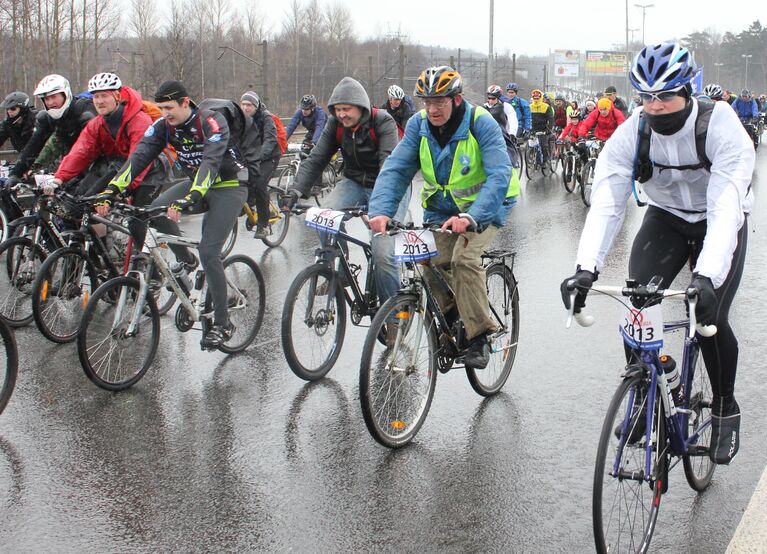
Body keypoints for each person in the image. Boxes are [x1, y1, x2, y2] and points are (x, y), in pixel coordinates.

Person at [560, 41, 754, 465]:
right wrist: (585, 267)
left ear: (688, 90)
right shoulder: (634, 130)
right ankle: (649, 392)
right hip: (665, 218)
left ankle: (724, 405)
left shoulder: (720, 126)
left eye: (665, 95)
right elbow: (608, 200)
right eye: (646, 97)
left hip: (717, 220)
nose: (655, 106)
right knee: (638, 301)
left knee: (710, 316)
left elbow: (724, 208)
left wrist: (705, 278)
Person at [368, 66, 515, 369]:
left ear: (456, 100)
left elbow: (500, 175)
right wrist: (381, 210)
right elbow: (397, 168)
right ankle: (453, 315)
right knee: (426, 262)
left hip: (486, 207)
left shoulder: (480, 122)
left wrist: (472, 216)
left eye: (440, 102)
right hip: (440, 208)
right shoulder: (418, 125)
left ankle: (479, 337)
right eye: (427, 102)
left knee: (462, 260)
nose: (432, 109)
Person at [98, 80, 249, 350]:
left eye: (169, 107)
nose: (164, 113)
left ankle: (223, 324)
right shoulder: (162, 127)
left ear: (185, 102)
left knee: (210, 252)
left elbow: (212, 161)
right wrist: (112, 189)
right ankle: (186, 260)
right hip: (196, 183)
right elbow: (138, 158)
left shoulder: (211, 122)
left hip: (229, 185)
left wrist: (193, 195)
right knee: (155, 211)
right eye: (160, 108)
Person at [281, 76, 406, 314]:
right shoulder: (336, 125)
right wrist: (295, 191)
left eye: (346, 109)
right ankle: (341, 268)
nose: (342, 115)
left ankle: (393, 318)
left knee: (382, 253)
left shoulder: (383, 122)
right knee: (322, 218)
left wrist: (379, 210)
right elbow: (317, 158)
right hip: (354, 181)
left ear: (361, 107)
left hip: (389, 183)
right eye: (338, 110)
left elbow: (388, 167)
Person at [48, 72, 167, 204]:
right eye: (96, 96)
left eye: (104, 96)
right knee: (82, 204)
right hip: (119, 168)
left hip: (148, 172)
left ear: (117, 96)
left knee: (137, 219)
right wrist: (59, 178)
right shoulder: (97, 124)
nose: (99, 101)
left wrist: (120, 189)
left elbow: (140, 158)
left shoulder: (139, 121)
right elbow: (81, 152)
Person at [7, 74, 96, 185]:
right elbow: (33, 146)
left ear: (65, 94)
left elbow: (92, 150)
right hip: (72, 162)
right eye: (46, 99)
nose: (50, 103)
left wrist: (74, 176)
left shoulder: (85, 111)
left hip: (101, 162)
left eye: (54, 97)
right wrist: (16, 174)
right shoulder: (48, 117)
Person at [240, 91, 281, 239]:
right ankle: (249, 204)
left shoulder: (266, 117)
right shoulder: (240, 118)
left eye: (249, 105)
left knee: (259, 183)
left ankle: (263, 225)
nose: (245, 108)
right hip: (252, 156)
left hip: (269, 156)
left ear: (256, 106)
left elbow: (270, 140)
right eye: (243, 104)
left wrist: (258, 157)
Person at [484, 84, 521, 169]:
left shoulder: (506, 106)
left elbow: (513, 119)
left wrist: (512, 133)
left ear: (498, 98)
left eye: (493, 99)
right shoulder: (485, 107)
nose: (490, 101)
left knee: (507, 154)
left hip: (504, 134)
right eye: (489, 98)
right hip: (489, 135)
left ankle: (511, 165)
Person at [529, 89, 555, 161]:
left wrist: (549, 129)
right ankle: (531, 156)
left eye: (538, 98)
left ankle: (545, 160)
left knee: (543, 145)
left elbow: (551, 119)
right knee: (530, 145)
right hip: (533, 129)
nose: (536, 99)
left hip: (543, 129)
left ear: (541, 98)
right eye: (534, 98)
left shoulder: (546, 107)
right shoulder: (530, 107)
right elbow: (527, 118)